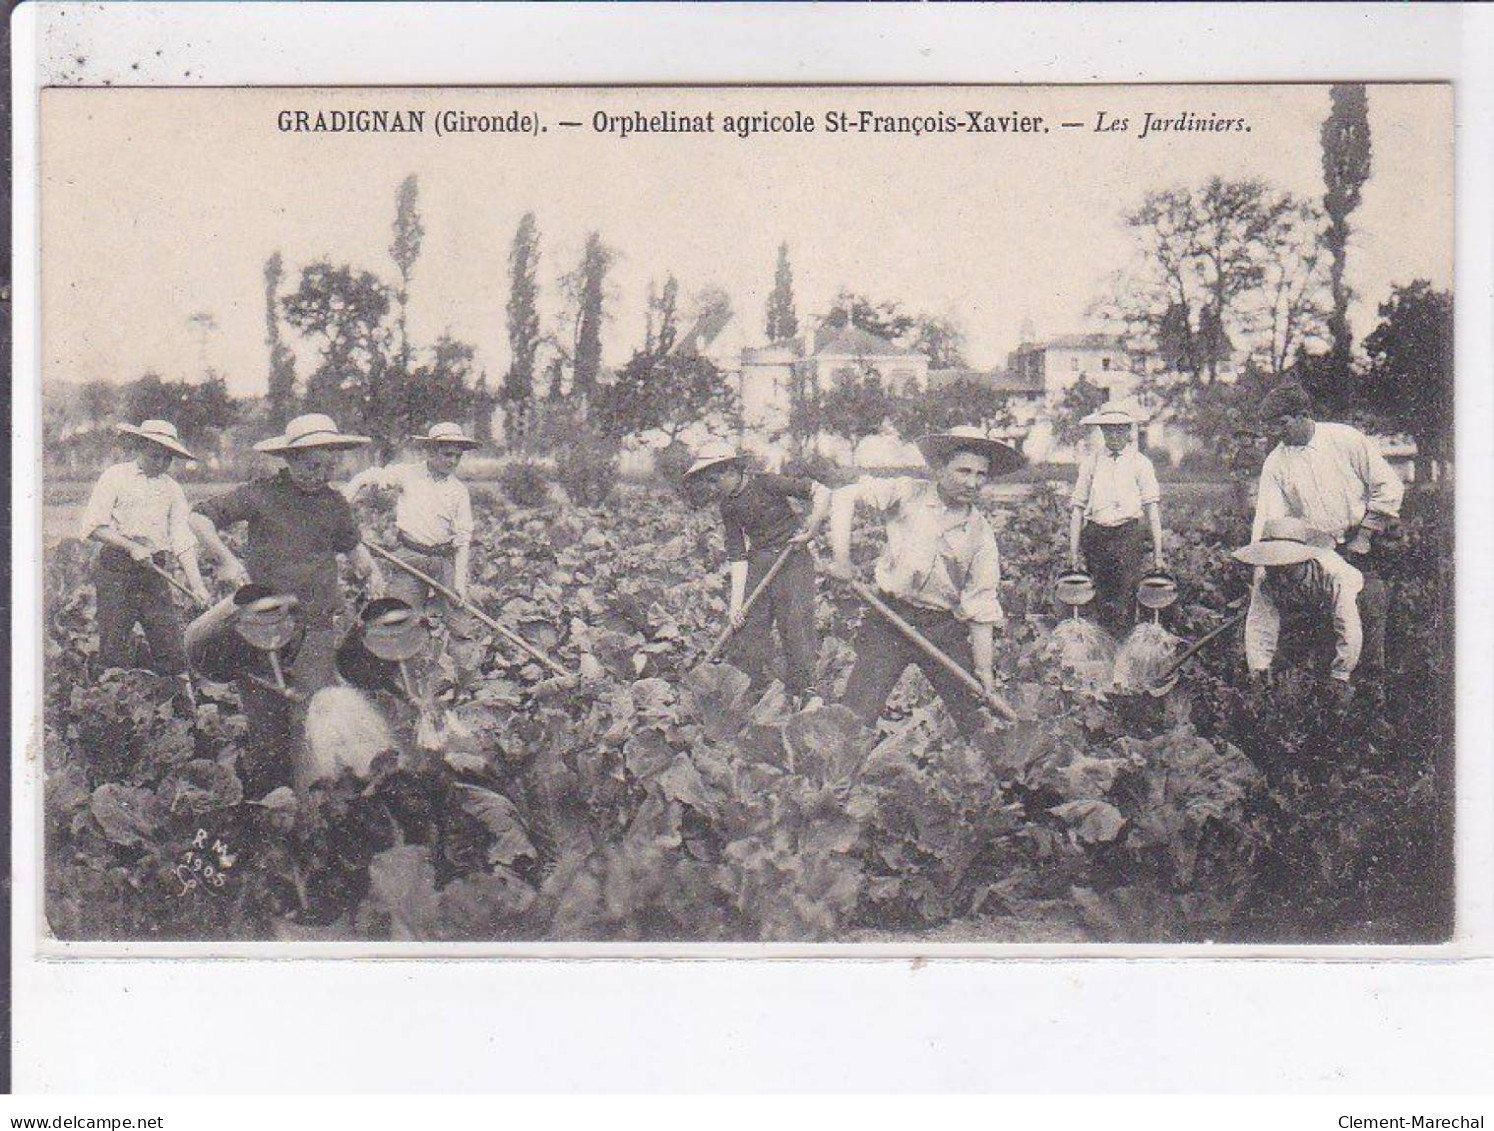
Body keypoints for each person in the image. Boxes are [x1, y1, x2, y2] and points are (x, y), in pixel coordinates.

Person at [189, 413, 384, 793]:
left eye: (328, 467)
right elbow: (198, 518)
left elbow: (354, 549)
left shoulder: (334, 504)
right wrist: (226, 560)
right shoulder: (260, 494)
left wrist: (371, 571)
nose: (320, 475)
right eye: (312, 467)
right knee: (265, 724)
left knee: (313, 716)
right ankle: (269, 806)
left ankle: (312, 802)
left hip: (316, 628)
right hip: (262, 627)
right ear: (291, 459)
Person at [826, 425, 1024, 734]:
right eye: (963, 471)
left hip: (941, 628)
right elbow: (843, 496)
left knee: (975, 716)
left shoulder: (981, 534)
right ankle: (833, 777)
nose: (972, 482)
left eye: (980, 474)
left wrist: (984, 671)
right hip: (889, 619)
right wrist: (841, 560)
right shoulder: (907, 493)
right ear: (940, 468)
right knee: (856, 715)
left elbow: (981, 605)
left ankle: (997, 775)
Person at [1252, 381, 1402, 681]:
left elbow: (1389, 486)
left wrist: (1366, 534)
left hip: (1363, 542)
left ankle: (1371, 690)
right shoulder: (1276, 463)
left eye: (1282, 424)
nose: (1277, 434)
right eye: (1271, 427)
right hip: (1315, 552)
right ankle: (1331, 690)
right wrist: (1262, 565)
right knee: (1327, 622)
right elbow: (1268, 516)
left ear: (1303, 415)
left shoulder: (1345, 440)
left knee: (1369, 606)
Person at [684, 442, 831, 706]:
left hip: (793, 557)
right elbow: (738, 554)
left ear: (731, 470)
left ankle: (808, 693)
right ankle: (754, 692)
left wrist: (812, 529)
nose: (713, 487)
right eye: (709, 482)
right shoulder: (727, 506)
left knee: (795, 626)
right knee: (747, 629)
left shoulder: (767, 483)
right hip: (760, 562)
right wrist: (736, 605)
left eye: (715, 480)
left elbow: (820, 491)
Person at [78, 419, 211, 689]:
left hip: (154, 572)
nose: (161, 463)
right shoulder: (115, 476)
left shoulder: (172, 489)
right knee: (114, 646)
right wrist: (131, 546)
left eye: (167, 458)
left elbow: (182, 539)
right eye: (155, 455)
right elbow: (93, 526)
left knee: (170, 646)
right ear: (139, 447)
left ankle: (181, 710)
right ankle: (110, 704)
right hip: (116, 569)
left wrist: (197, 584)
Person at [343, 422, 478, 622]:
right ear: (431, 451)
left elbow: (463, 539)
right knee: (398, 619)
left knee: (460, 621)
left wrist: (458, 581)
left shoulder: (459, 491)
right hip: (409, 557)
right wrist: (343, 508)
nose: (453, 461)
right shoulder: (407, 474)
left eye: (457, 456)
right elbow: (367, 477)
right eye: (447, 454)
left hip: (443, 560)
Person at [1234, 516, 1365, 703]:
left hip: (1358, 600)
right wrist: (1260, 671)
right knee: (1302, 661)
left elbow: (1348, 625)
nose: (1280, 578)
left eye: (1287, 570)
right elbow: (1260, 625)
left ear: (1303, 560)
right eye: (1274, 570)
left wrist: (1340, 674)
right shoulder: (1265, 580)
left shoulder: (1333, 575)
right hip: (1311, 607)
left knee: (1360, 666)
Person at [1067, 400, 1165, 638]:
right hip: (1097, 535)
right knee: (1098, 593)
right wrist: (1072, 551)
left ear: (1129, 431)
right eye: (1109, 429)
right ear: (1102, 431)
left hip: (1128, 535)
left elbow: (1151, 508)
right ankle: (1102, 649)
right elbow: (1078, 508)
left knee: (1126, 595)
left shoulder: (1141, 464)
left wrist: (1158, 554)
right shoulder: (1091, 463)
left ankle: (1123, 653)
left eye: (1120, 428)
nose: (1115, 434)